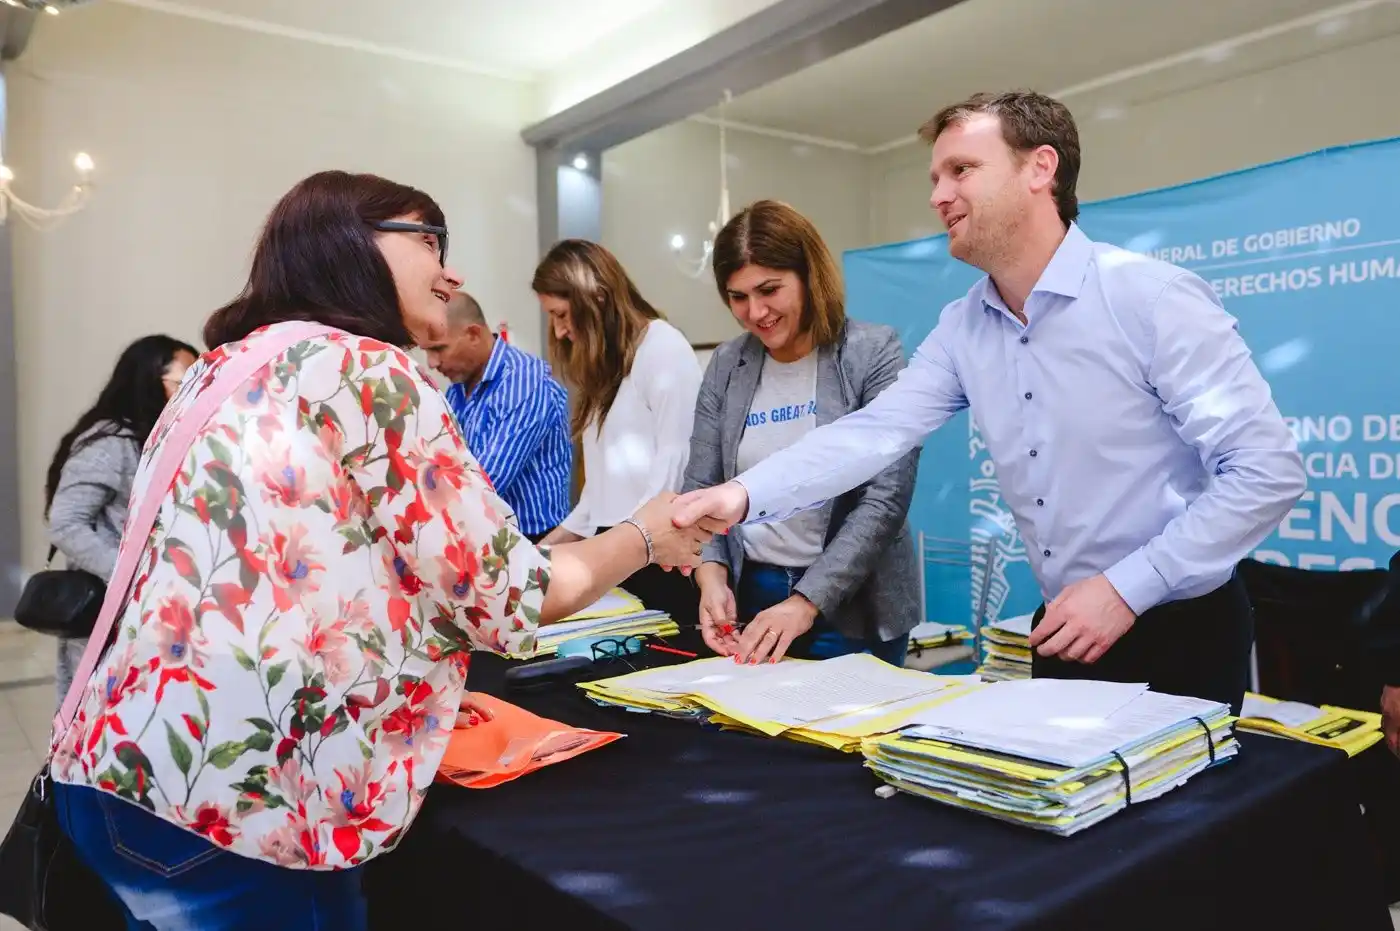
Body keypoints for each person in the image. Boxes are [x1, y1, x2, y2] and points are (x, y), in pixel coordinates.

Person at [47, 170, 714, 931]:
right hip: (246, 804)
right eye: (430, 239)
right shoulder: (368, 368)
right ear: (353, 245)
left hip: (117, 765)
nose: (450, 269)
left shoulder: (219, 371)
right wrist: (646, 532)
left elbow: (291, 572)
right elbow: (514, 593)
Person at [673, 91, 1307, 711]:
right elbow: (874, 433)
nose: (937, 195)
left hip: (1181, 628)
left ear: (1041, 167)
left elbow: (1265, 471)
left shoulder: (1150, 299)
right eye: (935, 177)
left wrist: (1125, 589)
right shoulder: (962, 327)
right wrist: (743, 496)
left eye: (961, 170)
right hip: (1061, 628)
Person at [683, 200, 920, 665]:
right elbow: (702, 486)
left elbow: (885, 499)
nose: (756, 312)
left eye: (770, 290)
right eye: (738, 297)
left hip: (855, 603)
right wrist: (710, 576)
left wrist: (805, 603)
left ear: (809, 276)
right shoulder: (728, 365)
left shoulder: (872, 353)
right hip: (752, 593)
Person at [534, 239, 704, 626]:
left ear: (596, 298)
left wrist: (626, 545)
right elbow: (597, 497)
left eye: (562, 315)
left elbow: (673, 471)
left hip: (657, 557)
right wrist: (539, 555)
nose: (559, 332)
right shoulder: (605, 370)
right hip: (624, 550)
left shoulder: (662, 348)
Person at [44, 334, 198, 706]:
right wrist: (131, 579)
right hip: (114, 618)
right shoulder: (112, 443)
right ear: (148, 380)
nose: (193, 393)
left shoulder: (157, 438)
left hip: (148, 615)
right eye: (184, 382)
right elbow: (66, 523)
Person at [422, 290, 571, 542]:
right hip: (483, 534)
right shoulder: (458, 386)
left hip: (535, 542)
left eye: (439, 349)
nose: (432, 363)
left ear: (473, 334)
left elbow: (483, 484)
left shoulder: (525, 385)